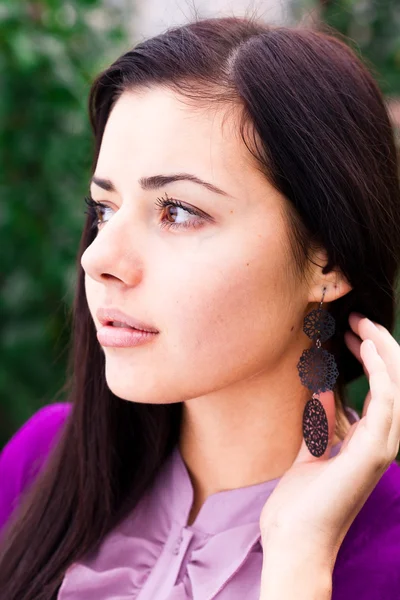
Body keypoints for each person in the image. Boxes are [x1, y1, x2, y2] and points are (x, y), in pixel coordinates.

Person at [1, 13, 400, 600]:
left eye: (179, 212)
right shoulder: (42, 465)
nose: (98, 258)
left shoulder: (385, 554)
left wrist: (297, 565)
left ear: (327, 261)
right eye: (104, 209)